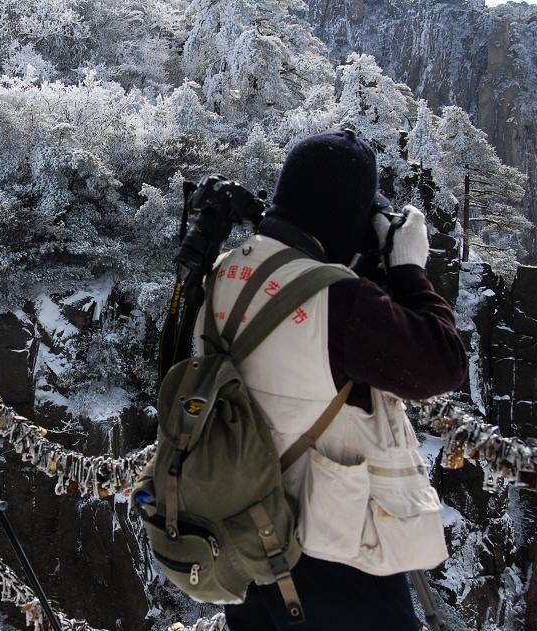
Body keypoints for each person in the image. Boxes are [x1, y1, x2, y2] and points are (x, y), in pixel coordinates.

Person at [206, 130, 468, 630]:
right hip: (333, 549)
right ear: (349, 217)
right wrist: (409, 269)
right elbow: (442, 361)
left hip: (242, 529)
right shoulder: (339, 302)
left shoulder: (224, 270)